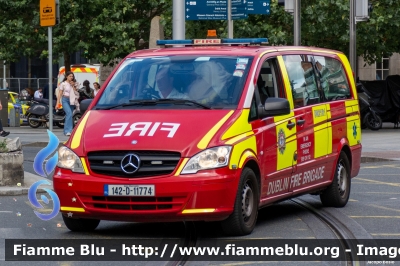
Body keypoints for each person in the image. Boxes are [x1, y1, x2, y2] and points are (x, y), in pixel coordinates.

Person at [56, 71, 77, 136]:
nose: (71, 77)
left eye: (72, 76)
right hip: (65, 99)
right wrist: (57, 102)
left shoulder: (73, 83)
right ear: (66, 77)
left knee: (70, 115)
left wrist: (73, 85)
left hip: (71, 100)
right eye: (70, 76)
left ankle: (67, 130)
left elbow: (76, 92)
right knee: (69, 113)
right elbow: (60, 93)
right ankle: (68, 130)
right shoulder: (63, 84)